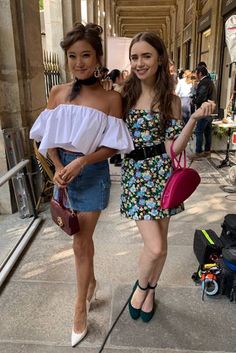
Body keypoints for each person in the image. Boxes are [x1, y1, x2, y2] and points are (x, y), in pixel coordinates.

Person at [29, 22, 134, 347]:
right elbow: (46, 138)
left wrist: (81, 161)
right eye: (72, 56)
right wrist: (59, 165)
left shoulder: (111, 98)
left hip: (91, 175)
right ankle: (90, 285)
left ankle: (79, 308)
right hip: (64, 176)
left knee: (79, 242)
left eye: (86, 55)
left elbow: (114, 145)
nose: (79, 62)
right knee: (80, 241)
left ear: (97, 56)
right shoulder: (58, 93)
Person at [120, 32, 215, 322]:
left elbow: (173, 147)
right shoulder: (124, 96)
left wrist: (195, 119)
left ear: (159, 58)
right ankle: (140, 287)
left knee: (162, 246)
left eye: (146, 56)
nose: (139, 63)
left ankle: (150, 292)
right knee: (155, 246)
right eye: (135, 57)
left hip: (163, 177)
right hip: (136, 178)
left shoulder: (170, 100)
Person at [191, 65, 216, 158]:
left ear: (200, 73)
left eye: (196, 73)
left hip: (204, 111)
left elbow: (201, 96)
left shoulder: (204, 82)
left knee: (199, 131)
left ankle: (199, 152)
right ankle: (207, 151)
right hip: (210, 111)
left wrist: (194, 101)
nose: (195, 75)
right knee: (207, 132)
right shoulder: (210, 81)